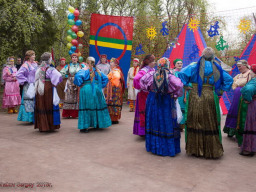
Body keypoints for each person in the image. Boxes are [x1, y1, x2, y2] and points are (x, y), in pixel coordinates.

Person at [178, 47, 233, 159]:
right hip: (210, 95)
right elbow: (229, 80)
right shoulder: (217, 67)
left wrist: (188, 85)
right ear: (213, 56)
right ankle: (211, 150)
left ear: (202, 55)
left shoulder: (194, 66)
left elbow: (181, 74)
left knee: (195, 120)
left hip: (195, 95)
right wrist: (220, 90)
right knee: (210, 120)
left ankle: (195, 149)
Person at [140, 57, 183, 156]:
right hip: (166, 101)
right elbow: (179, 85)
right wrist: (175, 95)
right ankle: (167, 148)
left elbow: (141, 81)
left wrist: (148, 90)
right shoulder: (170, 76)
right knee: (166, 121)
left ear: (158, 65)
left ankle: (154, 146)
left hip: (153, 99)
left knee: (154, 120)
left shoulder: (151, 74)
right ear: (167, 65)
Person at [74, 57, 112, 132]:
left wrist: (81, 84)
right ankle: (97, 123)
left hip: (86, 89)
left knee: (86, 106)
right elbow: (106, 78)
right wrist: (100, 85)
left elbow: (77, 77)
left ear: (87, 62)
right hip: (97, 89)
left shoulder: (84, 70)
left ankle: (85, 126)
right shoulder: (97, 71)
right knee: (96, 106)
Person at [34, 52, 62, 132]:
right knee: (49, 105)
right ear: (49, 59)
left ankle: (42, 125)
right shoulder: (50, 69)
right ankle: (50, 126)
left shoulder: (39, 68)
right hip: (48, 88)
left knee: (41, 105)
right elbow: (59, 76)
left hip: (40, 87)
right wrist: (54, 83)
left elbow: (35, 78)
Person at [223, 60, 252, 137]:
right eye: (238, 66)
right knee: (234, 110)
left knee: (241, 111)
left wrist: (238, 85)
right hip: (236, 96)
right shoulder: (239, 75)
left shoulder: (250, 74)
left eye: (240, 66)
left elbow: (249, 84)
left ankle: (240, 131)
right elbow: (233, 82)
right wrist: (235, 86)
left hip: (244, 95)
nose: (238, 68)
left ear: (245, 65)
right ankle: (231, 130)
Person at [133, 55, 155, 136]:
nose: (154, 62)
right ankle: (142, 131)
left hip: (149, 94)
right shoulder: (144, 71)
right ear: (149, 62)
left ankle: (148, 129)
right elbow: (136, 79)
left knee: (149, 111)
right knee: (144, 111)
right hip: (143, 94)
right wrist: (141, 87)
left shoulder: (152, 70)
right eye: (153, 61)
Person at [60, 53, 84, 118]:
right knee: (69, 97)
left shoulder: (81, 66)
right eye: (73, 57)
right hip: (70, 82)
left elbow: (85, 72)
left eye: (75, 57)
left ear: (77, 59)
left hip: (78, 83)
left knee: (77, 97)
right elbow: (61, 73)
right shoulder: (68, 66)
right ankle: (67, 113)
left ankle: (75, 114)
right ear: (71, 58)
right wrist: (66, 75)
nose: (74, 58)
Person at [16, 50, 38, 123]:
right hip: (28, 85)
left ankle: (34, 118)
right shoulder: (25, 65)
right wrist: (26, 80)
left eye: (34, 55)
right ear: (29, 57)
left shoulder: (35, 64)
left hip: (35, 85)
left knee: (34, 101)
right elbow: (18, 74)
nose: (34, 56)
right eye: (33, 55)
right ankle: (29, 118)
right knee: (29, 101)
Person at [239, 64, 256, 156]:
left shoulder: (254, 81)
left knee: (251, 125)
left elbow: (248, 90)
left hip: (254, 104)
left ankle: (250, 149)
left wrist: (248, 99)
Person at [172, 59, 191, 131]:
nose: (180, 64)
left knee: (185, 108)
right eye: (178, 63)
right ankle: (177, 125)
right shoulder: (173, 73)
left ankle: (183, 125)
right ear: (175, 64)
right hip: (177, 92)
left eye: (181, 63)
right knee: (178, 108)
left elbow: (188, 81)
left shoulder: (184, 72)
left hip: (185, 92)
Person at [105, 58, 125, 124]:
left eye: (111, 62)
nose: (110, 63)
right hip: (113, 88)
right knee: (112, 102)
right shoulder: (113, 70)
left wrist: (110, 80)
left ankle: (114, 118)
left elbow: (116, 78)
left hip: (114, 89)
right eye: (110, 62)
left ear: (115, 64)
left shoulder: (116, 71)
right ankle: (112, 117)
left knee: (114, 102)